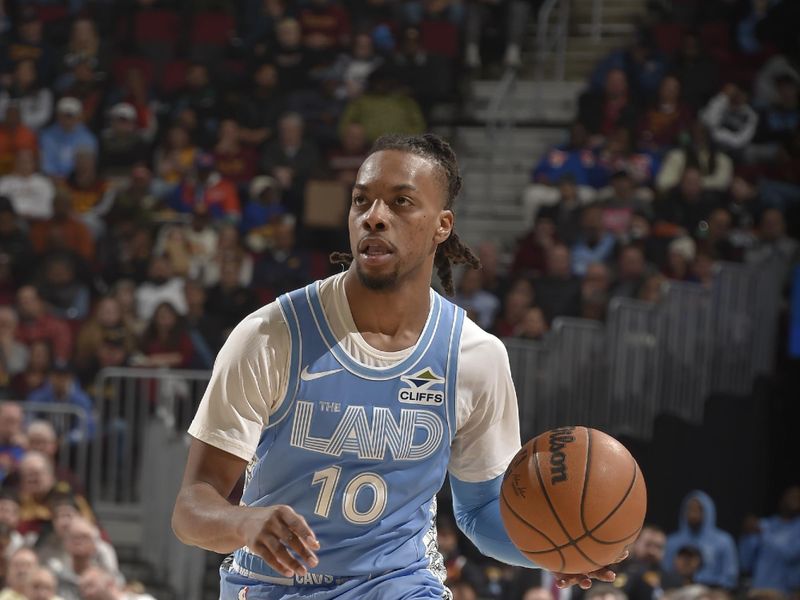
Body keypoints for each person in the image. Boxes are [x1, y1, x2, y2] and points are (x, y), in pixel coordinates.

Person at [172, 134, 623, 598]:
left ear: (442, 225)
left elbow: (480, 509)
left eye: (401, 202)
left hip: (398, 584)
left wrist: (554, 547)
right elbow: (191, 509)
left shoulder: (474, 355)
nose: (374, 216)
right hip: (273, 585)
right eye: (361, 201)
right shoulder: (270, 335)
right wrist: (244, 521)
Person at [662, 491, 738, 589]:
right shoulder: (672, 542)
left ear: (709, 511)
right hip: (677, 592)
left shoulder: (724, 541)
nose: (693, 514)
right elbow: (665, 572)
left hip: (714, 593)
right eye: (690, 509)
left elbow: (730, 576)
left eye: (699, 509)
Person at [738, 484, 800, 594]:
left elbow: (791, 554)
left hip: (785, 592)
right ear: (781, 500)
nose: (793, 501)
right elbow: (745, 562)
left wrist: (763, 533)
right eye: (790, 497)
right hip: (758, 588)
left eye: (797, 498)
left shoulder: (762, 528)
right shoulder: (766, 524)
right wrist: (746, 535)